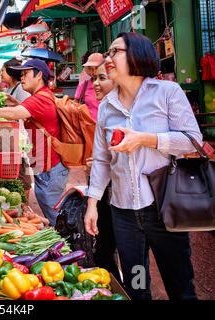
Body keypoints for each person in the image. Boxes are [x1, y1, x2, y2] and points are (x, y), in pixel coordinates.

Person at [84, 32, 202, 300]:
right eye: (108, 53)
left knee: (180, 286)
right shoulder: (107, 107)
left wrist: (145, 139)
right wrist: (92, 204)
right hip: (124, 215)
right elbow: (102, 159)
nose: (108, 58)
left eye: (115, 52)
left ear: (137, 54)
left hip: (164, 210)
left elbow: (193, 140)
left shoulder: (166, 93)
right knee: (137, 285)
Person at [0, 59, 68, 226]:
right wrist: (17, 104)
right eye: (21, 74)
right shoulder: (39, 96)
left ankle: (75, 250)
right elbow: (24, 112)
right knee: (54, 216)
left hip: (50, 169)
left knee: (57, 220)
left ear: (39, 75)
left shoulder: (40, 99)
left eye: (25, 74)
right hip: (45, 166)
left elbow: (13, 113)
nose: (21, 78)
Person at [85, 62, 120, 281]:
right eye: (94, 78)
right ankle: (117, 287)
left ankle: (131, 289)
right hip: (107, 191)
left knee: (126, 257)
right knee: (105, 252)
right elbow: (102, 158)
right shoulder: (105, 109)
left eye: (102, 78)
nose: (95, 84)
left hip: (126, 198)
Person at [1, 58, 32, 201]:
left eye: (3, 70)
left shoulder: (21, 89)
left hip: (21, 137)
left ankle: (25, 204)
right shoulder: (11, 89)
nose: (1, 74)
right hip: (13, 138)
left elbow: (23, 112)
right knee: (17, 172)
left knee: (22, 173)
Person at [74, 53, 104, 121]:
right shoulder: (83, 85)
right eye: (90, 68)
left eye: (96, 68)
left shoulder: (109, 85)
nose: (93, 72)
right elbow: (75, 105)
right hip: (87, 126)